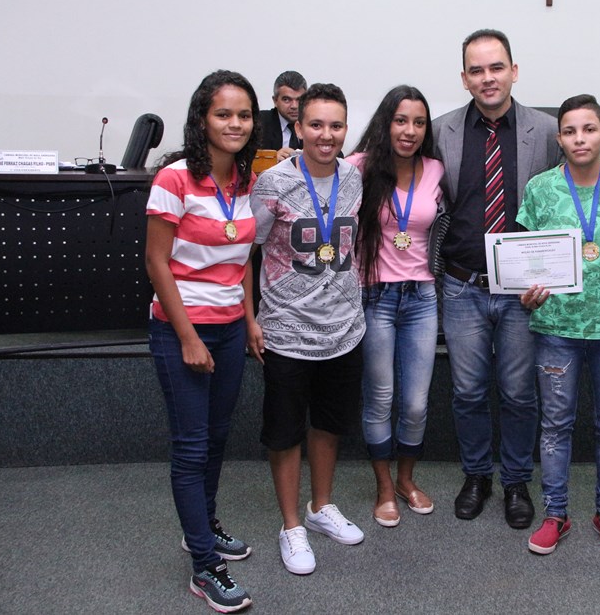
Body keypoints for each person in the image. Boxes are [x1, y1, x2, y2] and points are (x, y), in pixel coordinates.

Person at [432, 28, 560, 529]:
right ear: (464, 78)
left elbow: (562, 204)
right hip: (461, 285)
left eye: (496, 67)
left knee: (518, 392)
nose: (488, 78)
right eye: (477, 70)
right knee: (466, 391)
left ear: (514, 70)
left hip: (520, 292)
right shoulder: (440, 130)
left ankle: (514, 481)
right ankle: (476, 475)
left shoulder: (547, 131)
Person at [145, 69, 259, 613]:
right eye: (223, 114)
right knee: (191, 447)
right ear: (202, 120)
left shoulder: (245, 179)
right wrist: (189, 337)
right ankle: (203, 567)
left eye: (243, 115)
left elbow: (242, 263)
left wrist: (250, 319)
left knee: (216, 438)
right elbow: (156, 262)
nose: (235, 123)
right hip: (181, 329)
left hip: (231, 326)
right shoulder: (174, 178)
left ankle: (205, 529)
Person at [517, 95, 600, 555]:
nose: (579, 138)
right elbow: (527, 260)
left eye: (589, 129)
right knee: (555, 425)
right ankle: (555, 514)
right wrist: (525, 292)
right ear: (559, 139)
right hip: (556, 326)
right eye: (570, 131)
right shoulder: (540, 188)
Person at [248, 83, 365, 576]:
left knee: (329, 425)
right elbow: (242, 252)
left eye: (336, 125)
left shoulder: (355, 179)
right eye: (316, 124)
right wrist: (248, 317)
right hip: (286, 330)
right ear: (298, 127)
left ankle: (320, 507)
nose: (326, 134)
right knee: (285, 433)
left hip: (344, 329)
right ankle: (291, 525)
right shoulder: (272, 183)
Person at [346, 85, 445, 527]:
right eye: (401, 120)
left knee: (417, 403)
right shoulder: (359, 168)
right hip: (376, 297)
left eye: (419, 122)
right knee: (380, 398)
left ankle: (407, 479)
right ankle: (384, 486)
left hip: (422, 298)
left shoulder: (437, 169)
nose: (409, 130)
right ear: (387, 123)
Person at [258, 70, 307, 158]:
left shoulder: (316, 125)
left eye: (299, 100)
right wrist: (271, 159)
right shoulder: (259, 122)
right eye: (287, 99)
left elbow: (337, 158)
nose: (294, 106)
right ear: (275, 101)